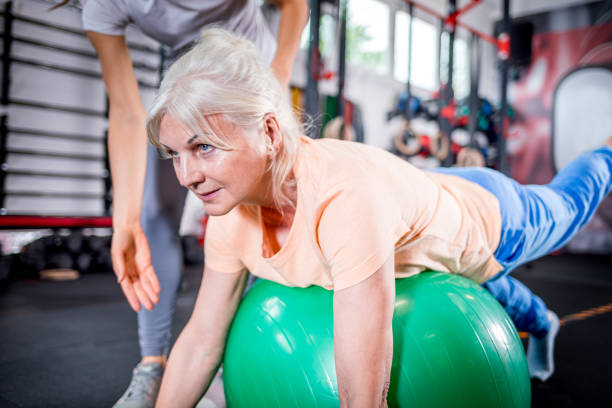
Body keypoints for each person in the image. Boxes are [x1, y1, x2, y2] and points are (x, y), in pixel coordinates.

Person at [145, 28, 612, 407]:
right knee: (465, 274)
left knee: (570, 201)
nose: (186, 175)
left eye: (203, 147)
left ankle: (606, 155)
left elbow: (363, 395)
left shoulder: (342, 198)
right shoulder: (229, 206)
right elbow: (202, 340)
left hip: (492, 218)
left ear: (269, 132)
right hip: (418, 201)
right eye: (175, 154)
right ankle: (544, 323)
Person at [79, 1, 308, 407]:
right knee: (150, 214)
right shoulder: (106, 4)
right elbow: (128, 113)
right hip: (185, 79)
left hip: (249, 70)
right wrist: (125, 221)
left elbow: (293, 5)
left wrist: (277, 80)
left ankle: (227, 367)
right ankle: (152, 368)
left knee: (259, 215)